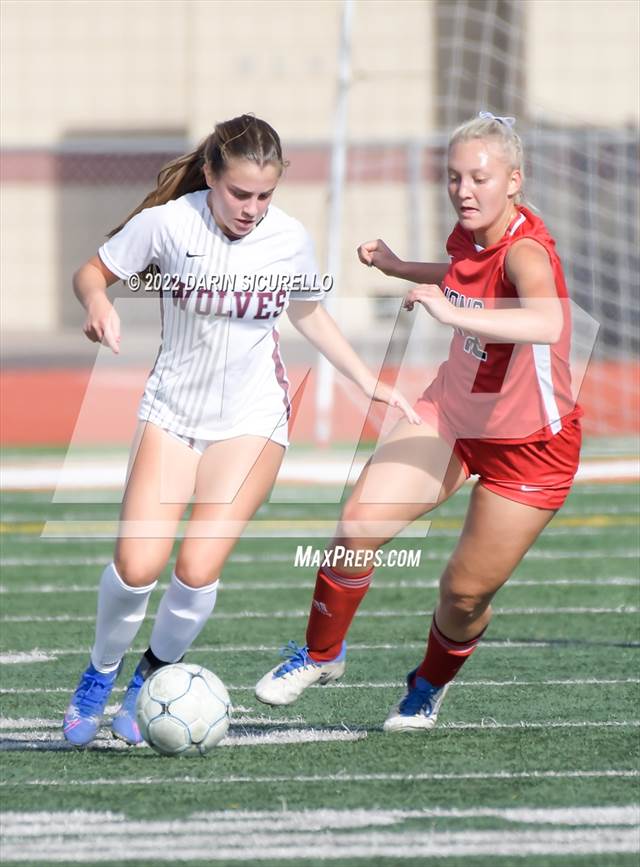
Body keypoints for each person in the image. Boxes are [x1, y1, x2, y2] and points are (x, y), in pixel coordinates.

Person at [62, 114, 420, 747]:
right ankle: (99, 674)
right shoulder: (169, 223)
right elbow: (92, 271)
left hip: (253, 419)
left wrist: (367, 379)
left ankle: (151, 679)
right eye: (240, 194)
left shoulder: (286, 237)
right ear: (210, 175)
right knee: (137, 564)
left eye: (265, 195)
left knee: (197, 569)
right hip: (172, 412)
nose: (253, 208)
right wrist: (98, 302)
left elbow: (307, 309)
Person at [254, 111, 583, 731]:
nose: (464, 190)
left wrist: (451, 314)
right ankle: (322, 655)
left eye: (480, 178)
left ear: (515, 180)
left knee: (463, 595)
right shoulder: (472, 234)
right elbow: (462, 276)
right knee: (356, 525)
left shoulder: (528, 252)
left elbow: (547, 322)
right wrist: (403, 269)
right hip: (452, 413)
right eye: (454, 177)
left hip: (529, 449)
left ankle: (427, 685)